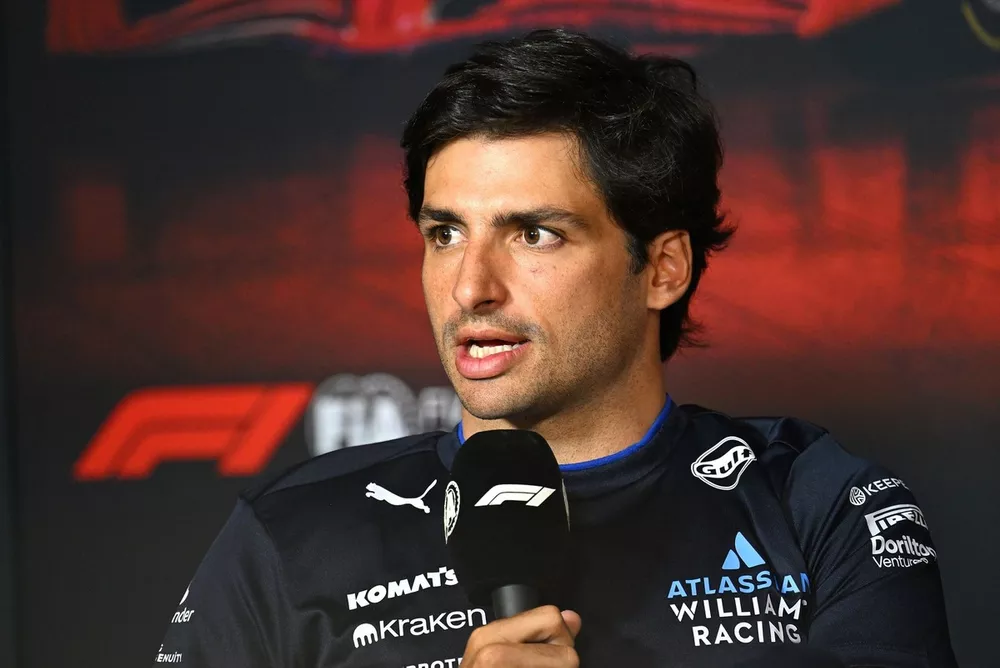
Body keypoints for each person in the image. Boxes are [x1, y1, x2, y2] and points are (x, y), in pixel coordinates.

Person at [154, 29, 957, 667]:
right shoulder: (294, 530)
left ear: (663, 269)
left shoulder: (818, 505)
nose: (471, 288)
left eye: (534, 233)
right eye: (444, 234)